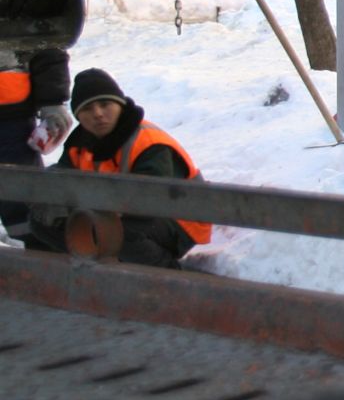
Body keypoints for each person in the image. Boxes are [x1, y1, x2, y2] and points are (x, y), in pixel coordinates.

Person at [24, 69, 210, 268]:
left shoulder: (149, 142)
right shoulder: (79, 142)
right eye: (87, 109)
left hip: (178, 219)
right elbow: (64, 176)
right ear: (79, 116)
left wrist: (89, 209)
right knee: (43, 221)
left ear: (120, 105)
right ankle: (92, 265)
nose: (98, 114)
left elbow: (152, 201)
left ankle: (168, 275)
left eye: (105, 105)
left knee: (122, 235)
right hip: (113, 214)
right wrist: (49, 196)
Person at [0, 46, 74, 244]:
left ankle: (35, 253)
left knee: (23, 199)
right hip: (12, 112)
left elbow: (45, 40)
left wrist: (53, 100)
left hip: (11, 117)